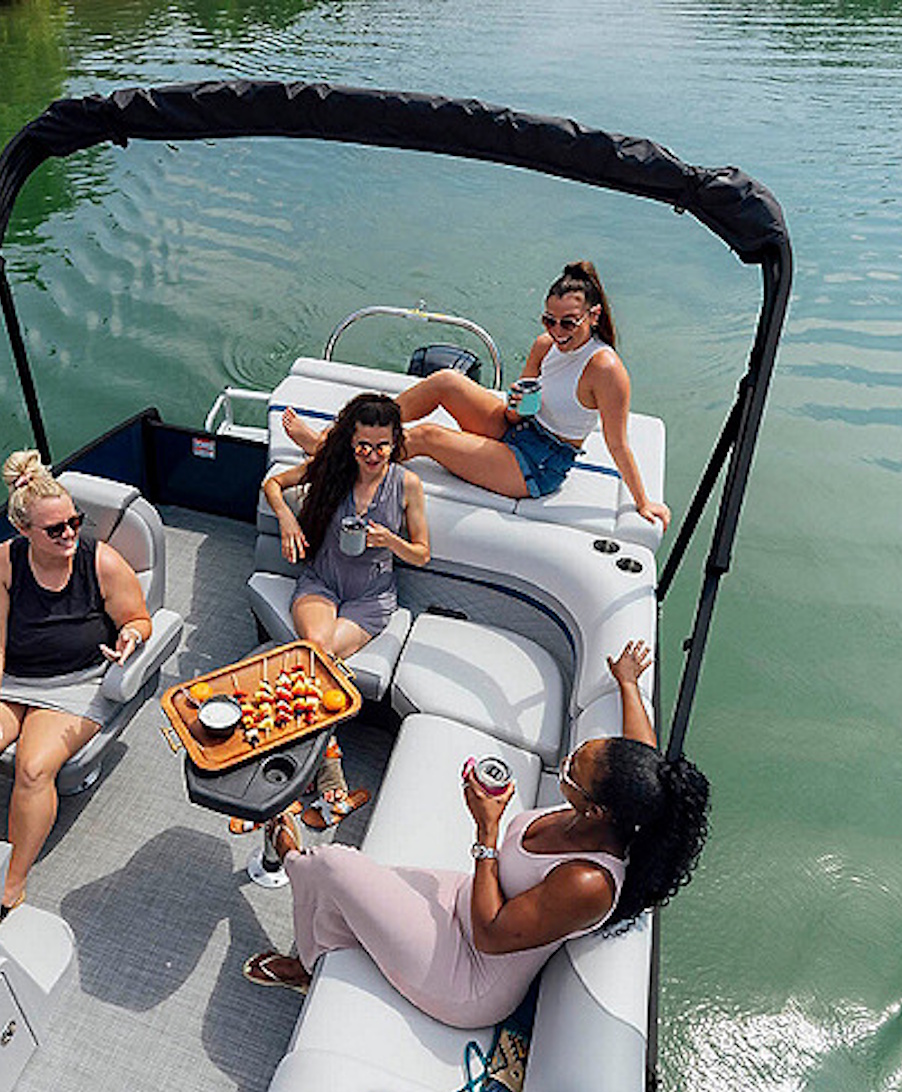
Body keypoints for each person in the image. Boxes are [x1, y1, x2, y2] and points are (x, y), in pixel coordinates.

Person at [240, 640, 709, 1029]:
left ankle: (294, 891)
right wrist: (627, 683)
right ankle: (316, 958)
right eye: (577, 753)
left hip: (469, 973)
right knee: (344, 890)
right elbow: (643, 755)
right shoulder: (627, 800)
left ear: (597, 809)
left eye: (571, 770)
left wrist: (487, 827)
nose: (567, 764)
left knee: (331, 864)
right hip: (463, 900)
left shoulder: (589, 882)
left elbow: (489, 935)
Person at [283, 262, 669, 528]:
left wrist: (643, 501)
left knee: (427, 437)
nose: (557, 332)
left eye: (568, 323)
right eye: (548, 320)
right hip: (518, 428)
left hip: (539, 463)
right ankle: (340, 436)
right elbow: (515, 415)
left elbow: (618, 443)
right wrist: (516, 408)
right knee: (446, 381)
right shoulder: (544, 345)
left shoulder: (606, 369)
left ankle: (331, 454)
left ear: (594, 316)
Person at [0, 451, 152, 917]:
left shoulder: (102, 561)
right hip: (11, 678)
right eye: (55, 529)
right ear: (23, 530)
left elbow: (138, 618)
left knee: (34, 768)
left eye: (75, 522)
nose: (70, 533)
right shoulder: (2, 562)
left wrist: (132, 636)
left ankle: (11, 882)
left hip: (75, 683)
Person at [257, 391, 430, 829]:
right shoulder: (331, 468)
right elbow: (273, 485)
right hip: (322, 582)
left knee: (318, 660)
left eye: (382, 446)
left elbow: (422, 553)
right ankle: (329, 780)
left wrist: (390, 540)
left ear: (395, 442)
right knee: (316, 650)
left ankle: (293, 763)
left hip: (370, 599)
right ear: (350, 442)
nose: (371, 455)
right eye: (362, 446)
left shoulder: (407, 484)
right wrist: (287, 518)